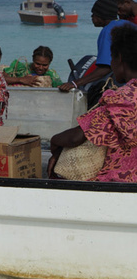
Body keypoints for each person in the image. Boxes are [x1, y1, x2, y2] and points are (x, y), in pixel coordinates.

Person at [48, 26, 137, 182]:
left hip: (119, 183)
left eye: (111, 57)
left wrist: (54, 141)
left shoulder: (120, 99)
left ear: (120, 58)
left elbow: (75, 138)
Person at [59, 0, 137, 93]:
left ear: (101, 16)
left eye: (93, 14)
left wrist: (75, 83)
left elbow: (106, 68)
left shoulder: (108, 30)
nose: (92, 17)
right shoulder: (129, 24)